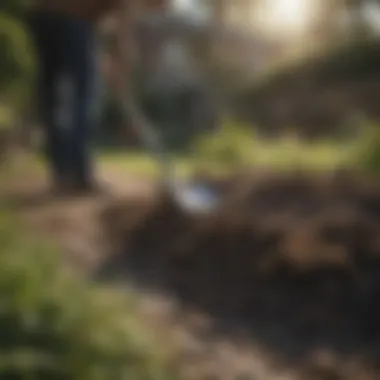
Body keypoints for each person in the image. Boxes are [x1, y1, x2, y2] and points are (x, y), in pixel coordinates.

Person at [25, 0, 126, 194]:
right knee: (84, 97)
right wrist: (120, 66)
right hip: (72, 20)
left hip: (41, 17)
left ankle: (62, 173)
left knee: (51, 98)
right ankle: (80, 174)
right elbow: (122, 34)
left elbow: (102, 27)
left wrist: (101, 57)